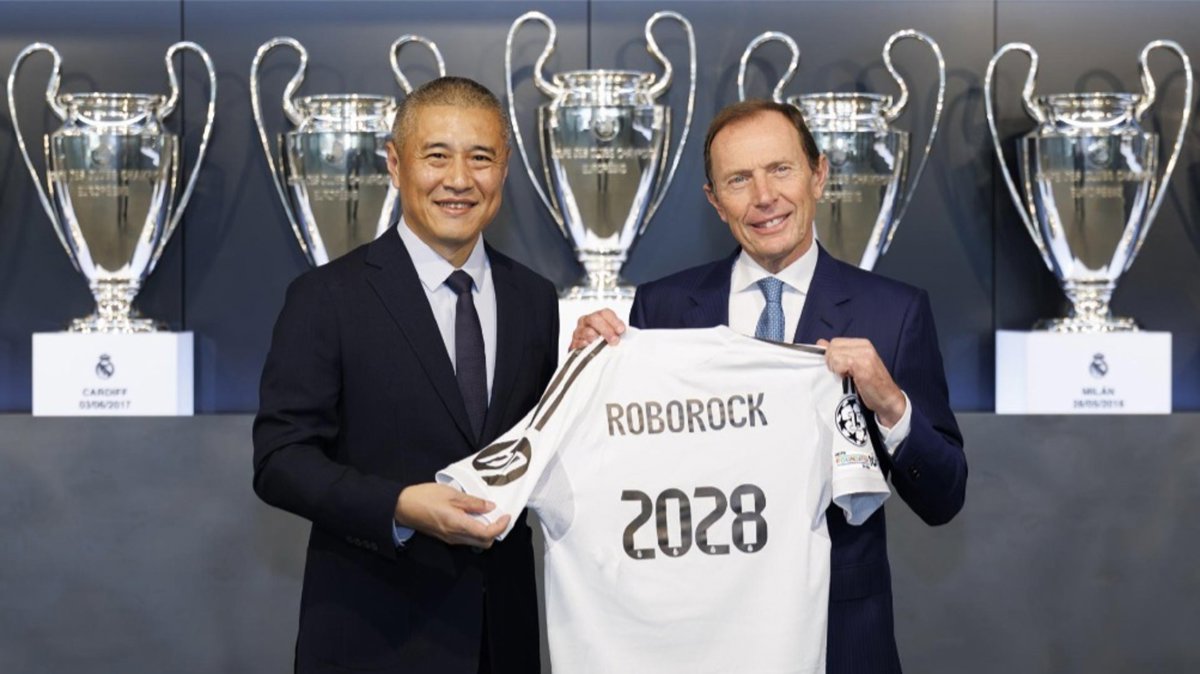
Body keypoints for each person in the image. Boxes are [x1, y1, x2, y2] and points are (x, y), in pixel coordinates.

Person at [571, 99, 967, 673]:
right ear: (715, 200)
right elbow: (625, 473)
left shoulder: (894, 313)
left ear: (818, 174)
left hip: (839, 640)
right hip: (697, 636)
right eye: (738, 179)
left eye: (780, 169)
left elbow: (944, 497)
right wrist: (588, 377)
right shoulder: (662, 309)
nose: (764, 196)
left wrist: (891, 405)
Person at [253, 76, 557, 674]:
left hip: (503, 642)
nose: (459, 179)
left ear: (505, 167)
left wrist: (597, 366)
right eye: (436, 156)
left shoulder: (535, 299)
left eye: (481, 158)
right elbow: (280, 460)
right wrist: (399, 505)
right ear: (395, 164)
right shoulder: (326, 297)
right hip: (372, 641)